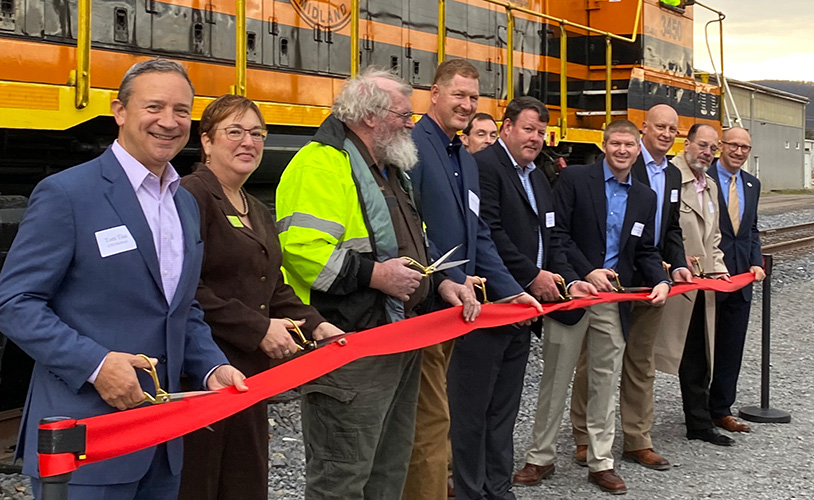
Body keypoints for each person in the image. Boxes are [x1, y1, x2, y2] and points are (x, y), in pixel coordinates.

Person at [0, 58, 247, 500]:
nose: (169, 122)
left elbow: (180, 307)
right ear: (119, 111)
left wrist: (212, 366)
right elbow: (14, 303)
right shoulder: (68, 193)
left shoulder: (184, 203)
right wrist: (95, 366)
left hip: (162, 441)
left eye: (181, 110)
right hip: (85, 444)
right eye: (154, 107)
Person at [275, 67, 478, 500]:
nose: (411, 123)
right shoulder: (320, 164)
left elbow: (414, 240)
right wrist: (377, 275)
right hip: (351, 346)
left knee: (388, 470)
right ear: (370, 116)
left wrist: (440, 281)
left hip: (395, 338)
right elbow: (303, 252)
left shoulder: (388, 168)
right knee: (342, 479)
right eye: (403, 115)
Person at [176, 95, 343, 500]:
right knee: (200, 482)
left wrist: (317, 324)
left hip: (251, 372)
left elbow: (274, 285)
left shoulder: (256, 209)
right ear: (207, 141)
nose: (248, 142)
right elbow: (185, 288)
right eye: (234, 132)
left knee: (245, 480)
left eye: (257, 134)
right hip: (204, 369)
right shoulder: (190, 196)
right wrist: (258, 329)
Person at [403, 58, 541, 500]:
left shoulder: (464, 155)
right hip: (429, 304)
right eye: (459, 95)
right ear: (434, 94)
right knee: (433, 423)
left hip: (461, 305)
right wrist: (448, 278)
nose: (466, 104)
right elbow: (410, 227)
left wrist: (512, 291)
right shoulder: (413, 147)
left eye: (474, 97)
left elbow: (479, 232)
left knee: (452, 414)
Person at [449, 96, 596, 500]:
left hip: (524, 313)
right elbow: (490, 233)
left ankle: (499, 489)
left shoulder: (538, 177)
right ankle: (470, 491)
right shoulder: (484, 167)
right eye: (529, 129)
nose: (536, 138)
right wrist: (531, 277)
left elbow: (551, 240)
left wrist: (569, 283)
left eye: (541, 132)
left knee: (504, 411)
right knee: (472, 412)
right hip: (490, 308)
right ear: (508, 127)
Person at [514, 119, 670, 495]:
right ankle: (540, 457)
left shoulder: (645, 197)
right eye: (616, 143)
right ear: (603, 145)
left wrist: (662, 280)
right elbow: (557, 235)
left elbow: (645, 250)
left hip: (612, 302)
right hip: (571, 295)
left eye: (629, 145)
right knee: (555, 379)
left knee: (605, 382)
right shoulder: (574, 179)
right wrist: (584, 273)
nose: (622, 150)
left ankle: (602, 462)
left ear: (638, 149)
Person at [569, 104, 691, 471]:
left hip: (648, 281)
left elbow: (669, 228)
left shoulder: (672, 175)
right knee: (594, 362)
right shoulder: (622, 163)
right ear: (643, 130)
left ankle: (638, 439)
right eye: (659, 127)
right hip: (609, 282)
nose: (665, 134)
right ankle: (583, 437)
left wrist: (675, 267)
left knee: (641, 362)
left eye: (671, 129)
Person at [654, 123, 733, 446]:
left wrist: (719, 271)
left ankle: (698, 423)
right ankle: (636, 435)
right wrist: (670, 262)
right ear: (686, 144)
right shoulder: (670, 177)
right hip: (671, 282)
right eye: (702, 145)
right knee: (647, 358)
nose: (708, 153)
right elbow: (661, 228)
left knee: (699, 354)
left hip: (702, 283)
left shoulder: (710, 186)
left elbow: (714, 238)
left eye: (713, 148)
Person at [707, 126, 766, 433]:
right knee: (701, 348)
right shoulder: (704, 179)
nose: (739, 152)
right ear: (721, 145)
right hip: (709, 276)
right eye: (734, 145)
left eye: (745, 147)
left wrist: (756, 262)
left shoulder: (752, 184)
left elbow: (751, 229)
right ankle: (697, 412)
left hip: (741, 278)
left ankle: (721, 409)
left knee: (731, 346)